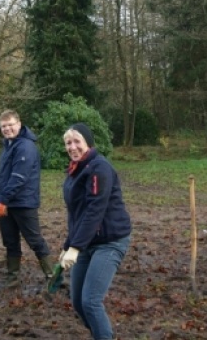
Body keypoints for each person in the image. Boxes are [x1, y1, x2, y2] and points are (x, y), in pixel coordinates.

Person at [59, 123, 132, 340]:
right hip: (87, 241)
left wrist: (75, 247)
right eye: (68, 143)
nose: (72, 147)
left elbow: (94, 211)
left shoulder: (99, 168)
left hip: (110, 240)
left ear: (88, 143)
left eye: (77, 141)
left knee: (90, 301)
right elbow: (77, 214)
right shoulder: (76, 169)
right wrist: (67, 247)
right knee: (78, 302)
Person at [0, 110, 55, 288]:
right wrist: (1, 201)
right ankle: (12, 277)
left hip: (23, 203)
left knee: (34, 240)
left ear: (19, 124)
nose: (7, 129)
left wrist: (3, 200)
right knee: (10, 241)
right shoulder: (8, 145)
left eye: (10, 125)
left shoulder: (25, 146)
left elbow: (19, 177)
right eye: (3, 126)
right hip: (6, 203)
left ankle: (52, 276)